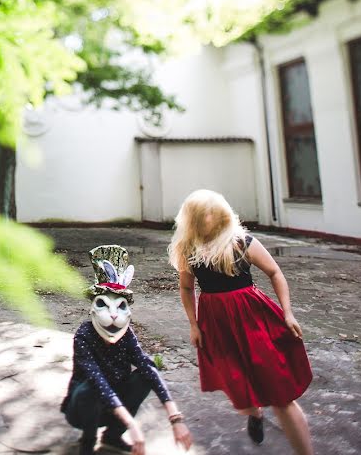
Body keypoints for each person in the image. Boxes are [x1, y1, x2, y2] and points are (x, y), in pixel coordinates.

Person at [168, 189, 313, 454]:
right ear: (192, 219)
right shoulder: (188, 249)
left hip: (251, 317)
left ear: (221, 214)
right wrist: (193, 324)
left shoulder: (241, 242)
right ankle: (254, 414)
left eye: (212, 213)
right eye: (201, 215)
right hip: (215, 323)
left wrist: (287, 312)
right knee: (235, 382)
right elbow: (187, 289)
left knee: (280, 394)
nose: (208, 218)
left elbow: (274, 272)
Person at [62, 245, 193, 455]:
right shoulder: (84, 335)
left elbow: (149, 369)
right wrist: (133, 425)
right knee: (91, 387)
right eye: (104, 304)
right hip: (83, 409)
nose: (113, 315)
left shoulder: (127, 334)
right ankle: (88, 442)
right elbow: (98, 381)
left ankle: (113, 436)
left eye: (120, 305)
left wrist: (175, 418)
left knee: (144, 374)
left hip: (115, 407)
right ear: (93, 307)